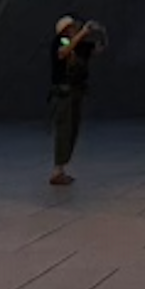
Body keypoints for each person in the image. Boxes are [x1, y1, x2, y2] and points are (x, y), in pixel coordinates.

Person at [48, 14, 100, 184]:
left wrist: (97, 33)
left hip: (76, 91)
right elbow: (64, 52)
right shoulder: (61, 42)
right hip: (64, 92)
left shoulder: (80, 46)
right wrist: (82, 34)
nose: (75, 28)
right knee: (64, 129)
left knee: (73, 130)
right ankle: (57, 170)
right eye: (72, 27)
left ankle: (61, 167)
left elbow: (99, 48)